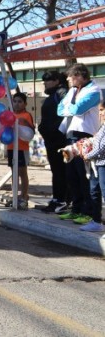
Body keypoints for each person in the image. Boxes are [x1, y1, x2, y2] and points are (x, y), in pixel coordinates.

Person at [57, 63, 101, 225]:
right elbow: (59, 110)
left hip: (85, 136)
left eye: (71, 76)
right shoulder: (73, 91)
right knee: (72, 175)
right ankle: (76, 209)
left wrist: (70, 107)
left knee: (85, 176)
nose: (68, 79)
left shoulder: (94, 91)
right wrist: (71, 107)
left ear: (80, 76)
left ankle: (88, 211)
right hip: (70, 136)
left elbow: (78, 110)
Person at [38, 71, 70, 213]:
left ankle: (61, 200)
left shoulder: (62, 93)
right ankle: (58, 198)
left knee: (60, 172)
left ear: (57, 81)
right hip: (52, 140)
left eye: (48, 80)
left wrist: (54, 131)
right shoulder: (53, 95)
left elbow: (66, 114)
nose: (45, 82)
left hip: (58, 141)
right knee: (56, 172)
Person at [79, 100, 105, 233]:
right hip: (98, 164)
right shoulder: (102, 126)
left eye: (103, 110)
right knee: (94, 191)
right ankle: (96, 221)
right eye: (100, 110)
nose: (101, 113)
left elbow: (102, 147)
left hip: (103, 164)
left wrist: (87, 156)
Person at [6, 92, 34, 208]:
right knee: (14, 173)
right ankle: (15, 196)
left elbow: (32, 131)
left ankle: (24, 196)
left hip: (22, 148)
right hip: (11, 147)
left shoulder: (27, 115)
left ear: (25, 104)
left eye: (20, 102)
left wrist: (26, 123)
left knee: (22, 172)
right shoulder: (10, 114)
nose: (17, 104)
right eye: (15, 101)